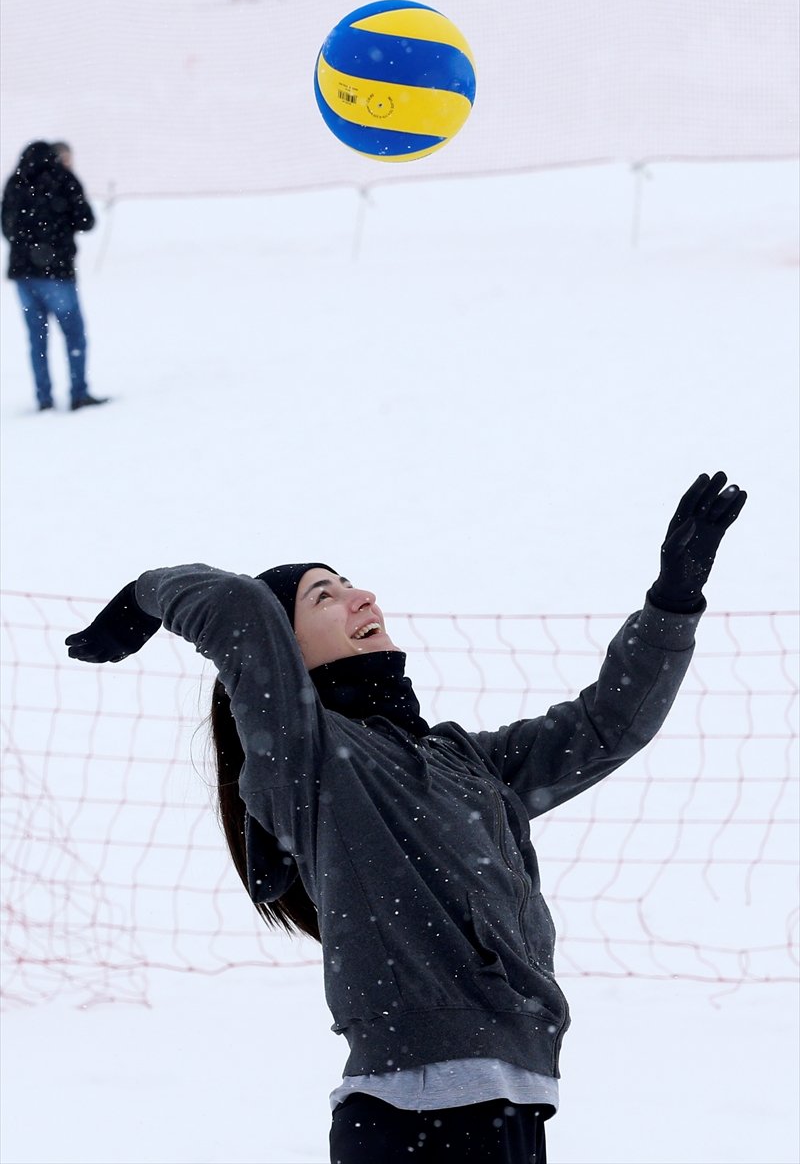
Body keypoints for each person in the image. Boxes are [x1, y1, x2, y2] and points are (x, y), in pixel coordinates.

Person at [65, 472, 746, 1163]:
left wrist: (672, 601)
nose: (361, 596)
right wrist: (143, 597)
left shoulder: (464, 762)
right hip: (412, 1114)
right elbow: (238, 606)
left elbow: (607, 727)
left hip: (515, 1104)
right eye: (321, 597)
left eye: (350, 582)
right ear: (283, 652)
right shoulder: (310, 758)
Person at [1, 140, 107, 412]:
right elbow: (87, 220)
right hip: (56, 273)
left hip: (23, 275)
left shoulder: (15, 183)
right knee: (74, 336)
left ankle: (44, 398)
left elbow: (7, 228)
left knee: (37, 339)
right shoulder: (63, 179)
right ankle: (78, 393)